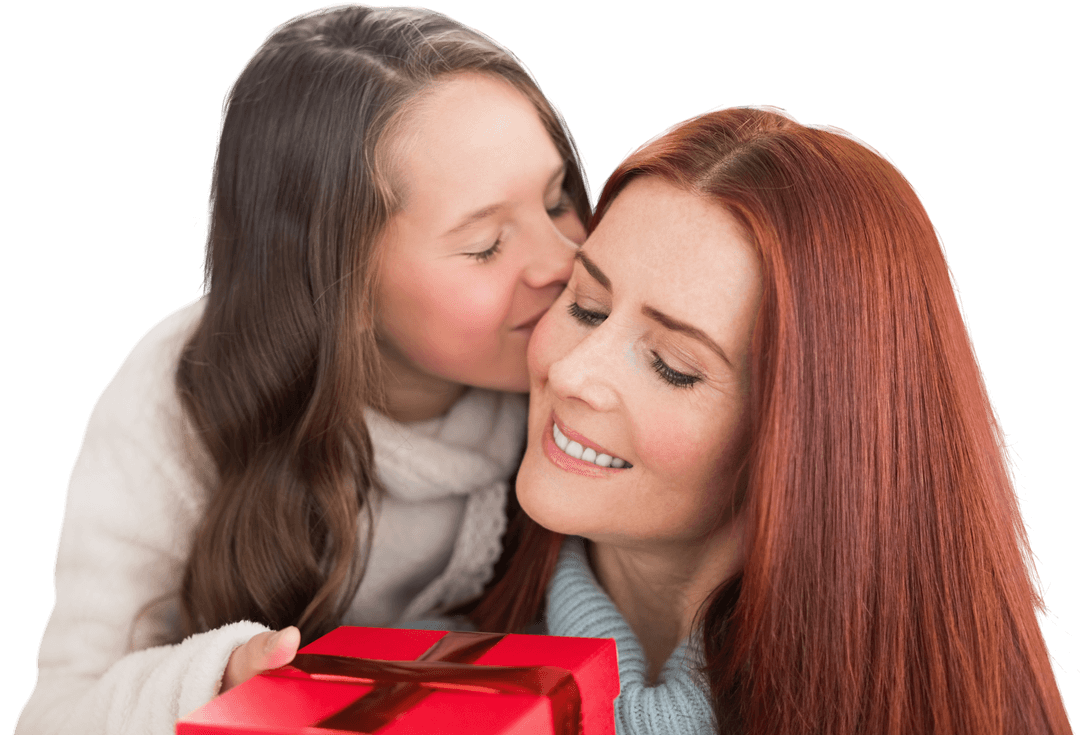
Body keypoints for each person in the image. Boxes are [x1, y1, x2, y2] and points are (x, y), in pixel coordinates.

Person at [15, 5, 588, 734]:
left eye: (558, 198)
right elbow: (56, 717)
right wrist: (218, 680)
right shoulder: (179, 398)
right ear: (336, 287)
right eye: (483, 245)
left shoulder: (590, 353)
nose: (563, 263)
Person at [469, 105, 1074, 734]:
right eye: (587, 305)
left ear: (808, 438)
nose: (569, 374)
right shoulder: (397, 634)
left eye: (672, 366)